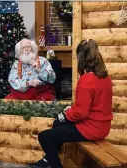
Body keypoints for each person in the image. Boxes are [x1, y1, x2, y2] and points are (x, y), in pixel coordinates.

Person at [27, 39, 113, 168]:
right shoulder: (105, 77)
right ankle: (47, 161)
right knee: (57, 123)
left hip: (91, 129)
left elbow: (81, 113)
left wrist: (66, 114)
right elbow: (92, 105)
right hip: (103, 126)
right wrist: (68, 112)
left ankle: (54, 164)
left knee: (44, 137)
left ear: (81, 57)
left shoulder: (86, 80)